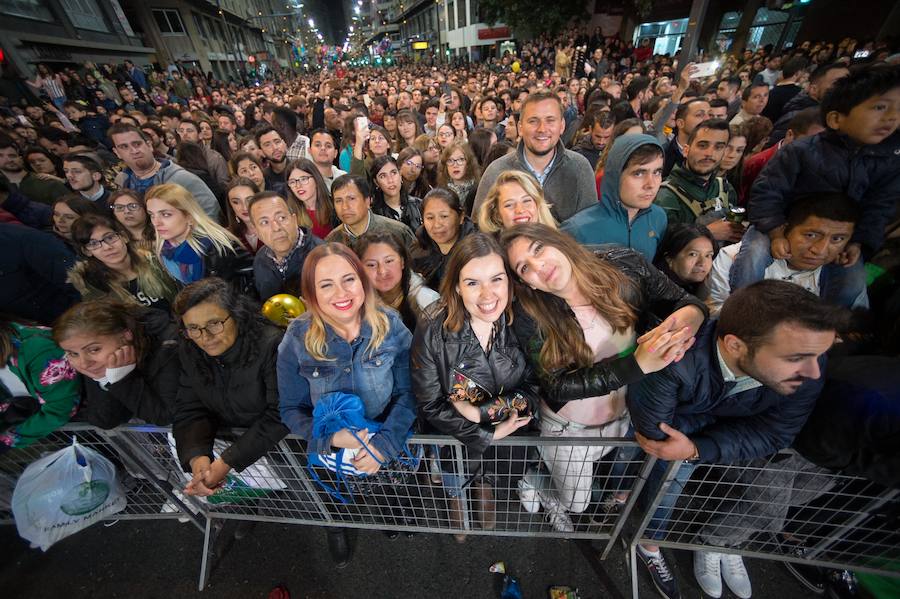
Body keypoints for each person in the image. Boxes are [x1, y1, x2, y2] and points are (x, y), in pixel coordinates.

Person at [626, 280, 846, 599]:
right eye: (797, 358)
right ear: (735, 345)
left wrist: (700, 445)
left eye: (820, 355)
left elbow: (777, 432)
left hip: (708, 435)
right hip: (693, 437)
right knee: (670, 469)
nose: (814, 372)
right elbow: (657, 432)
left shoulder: (808, 363)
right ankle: (649, 542)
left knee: (785, 485)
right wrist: (695, 447)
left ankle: (721, 542)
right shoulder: (672, 359)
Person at [501, 223, 706, 532]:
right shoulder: (530, 314)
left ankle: (550, 480)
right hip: (568, 430)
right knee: (577, 503)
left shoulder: (623, 263)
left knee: (602, 466)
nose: (540, 267)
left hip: (620, 414)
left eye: (538, 249)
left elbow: (683, 301)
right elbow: (556, 384)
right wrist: (636, 366)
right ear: (524, 282)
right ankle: (538, 483)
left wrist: (690, 316)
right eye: (524, 267)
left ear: (556, 240)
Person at [277, 243, 416, 565]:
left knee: (390, 490)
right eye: (326, 285)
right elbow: (290, 410)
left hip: (384, 434)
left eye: (348, 279)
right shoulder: (296, 339)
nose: (341, 293)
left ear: (362, 281)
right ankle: (336, 526)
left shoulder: (391, 325)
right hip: (332, 449)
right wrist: (329, 439)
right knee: (338, 496)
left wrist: (383, 445)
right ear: (311, 293)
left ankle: (391, 513)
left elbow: (410, 393)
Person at [411, 233, 540, 540]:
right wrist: (486, 433)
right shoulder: (432, 330)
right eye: (472, 282)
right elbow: (430, 404)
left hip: (505, 430)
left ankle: (485, 487)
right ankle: (457, 494)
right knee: (455, 467)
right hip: (453, 435)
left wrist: (481, 413)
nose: (487, 295)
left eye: (496, 279)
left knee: (489, 468)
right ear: (456, 285)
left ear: (508, 281)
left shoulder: (522, 320)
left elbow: (535, 388)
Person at [742, 65, 900, 309]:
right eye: (880, 107)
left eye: (897, 110)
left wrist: (857, 242)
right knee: (753, 255)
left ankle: (828, 324)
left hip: (841, 236)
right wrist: (775, 231)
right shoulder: (802, 151)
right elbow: (767, 191)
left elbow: (879, 208)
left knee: (853, 280)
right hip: (782, 224)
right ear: (836, 118)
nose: (890, 118)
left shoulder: (889, 161)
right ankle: (742, 305)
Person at [172, 278, 289, 500]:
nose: (205, 337)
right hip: (236, 448)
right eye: (193, 328)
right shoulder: (190, 350)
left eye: (214, 323)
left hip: (281, 447)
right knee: (256, 497)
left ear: (237, 314)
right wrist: (197, 457)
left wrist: (228, 461)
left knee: (308, 498)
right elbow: (190, 406)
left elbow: (280, 412)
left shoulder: (272, 345)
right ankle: (254, 510)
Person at [710, 193, 865, 313]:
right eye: (810, 235)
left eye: (837, 239)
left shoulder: (846, 276)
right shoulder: (733, 258)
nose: (820, 250)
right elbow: (715, 315)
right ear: (784, 228)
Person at [474, 90, 597, 222]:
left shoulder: (579, 168)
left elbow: (589, 229)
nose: (542, 129)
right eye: (533, 121)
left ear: (562, 126)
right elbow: (480, 229)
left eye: (550, 120)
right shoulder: (496, 171)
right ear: (520, 128)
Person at [53, 299, 178, 428]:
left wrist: (123, 379)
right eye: (73, 354)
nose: (84, 363)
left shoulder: (167, 348)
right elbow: (105, 420)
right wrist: (109, 379)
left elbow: (166, 416)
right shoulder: (100, 363)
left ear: (126, 335)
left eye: (94, 349)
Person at [563, 134, 668, 260]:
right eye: (639, 173)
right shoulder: (578, 230)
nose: (650, 184)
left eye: (657, 172)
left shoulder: (658, 218)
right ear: (615, 176)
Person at [145, 183, 254, 292]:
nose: (156, 222)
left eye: (166, 214)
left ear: (189, 216)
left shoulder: (222, 248)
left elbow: (248, 293)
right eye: (152, 215)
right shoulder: (162, 254)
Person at [655, 119, 743, 244]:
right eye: (702, 145)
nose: (709, 153)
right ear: (686, 150)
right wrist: (706, 232)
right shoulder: (665, 196)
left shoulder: (726, 188)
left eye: (718, 147)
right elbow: (658, 247)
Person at [0, 315, 80, 452]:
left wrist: (7, 441)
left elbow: (61, 408)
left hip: (85, 426)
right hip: (43, 424)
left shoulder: (37, 349)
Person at [68, 213, 178, 311]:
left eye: (110, 238)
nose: (107, 247)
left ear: (124, 237)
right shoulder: (93, 287)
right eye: (93, 244)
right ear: (87, 251)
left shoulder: (156, 261)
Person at [109, 124, 220, 220]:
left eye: (137, 144)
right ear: (116, 152)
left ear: (149, 145)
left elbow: (211, 213)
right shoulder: (124, 183)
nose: (134, 151)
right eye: (124, 147)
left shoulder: (181, 178)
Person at [355, 231, 438, 333]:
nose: (382, 271)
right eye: (371, 265)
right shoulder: (355, 304)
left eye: (389, 261)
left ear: (402, 262)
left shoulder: (427, 302)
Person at [740, 107, 825, 201]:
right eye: (810, 141)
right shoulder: (759, 162)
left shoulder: (820, 167)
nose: (816, 148)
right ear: (790, 135)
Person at [249, 191, 322, 300]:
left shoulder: (322, 255)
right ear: (256, 232)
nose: (276, 227)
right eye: (264, 222)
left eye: (281, 218)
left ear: (294, 220)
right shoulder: (260, 259)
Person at [767, 62, 848, 147]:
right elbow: (771, 153)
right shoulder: (797, 117)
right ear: (813, 89)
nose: (847, 89)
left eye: (850, 83)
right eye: (838, 83)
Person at [325, 174, 416, 249]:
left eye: (351, 199)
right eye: (338, 201)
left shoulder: (397, 232)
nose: (345, 207)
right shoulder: (332, 241)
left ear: (368, 201)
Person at [411, 187, 477, 290]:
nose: (437, 225)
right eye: (430, 218)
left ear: (461, 217)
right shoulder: (418, 251)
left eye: (444, 216)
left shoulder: (477, 251)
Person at [476, 170, 557, 234]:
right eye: (509, 205)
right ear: (497, 214)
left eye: (526, 201)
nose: (520, 210)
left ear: (538, 205)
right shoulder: (490, 253)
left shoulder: (559, 247)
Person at [653, 223, 717, 300]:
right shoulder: (658, 292)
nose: (702, 263)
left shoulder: (699, 285)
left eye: (708, 255)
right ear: (669, 258)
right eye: (693, 254)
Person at [0, 138, 70, 205]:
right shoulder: (5, 187)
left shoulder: (51, 184)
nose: (37, 164)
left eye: (12, 156)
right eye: (32, 162)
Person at [285, 157, 336, 240]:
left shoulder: (335, 206)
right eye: (292, 182)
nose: (298, 186)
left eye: (304, 179)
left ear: (316, 179)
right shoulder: (289, 214)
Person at [370, 155, 423, 233]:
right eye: (383, 176)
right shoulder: (373, 214)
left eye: (394, 173)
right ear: (376, 182)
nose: (390, 180)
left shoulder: (418, 205)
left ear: (400, 175)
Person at [661, 98, 710, 178]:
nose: (707, 119)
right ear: (680, 123)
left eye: (710, 114)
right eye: (699, 115)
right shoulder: (663, 155)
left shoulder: (717, 153)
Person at [176, 120, 228, 187]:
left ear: (200, 135)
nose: (184, 134)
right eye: (181, 131)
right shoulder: (176, 156)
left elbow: (223, 185)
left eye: (189, 131)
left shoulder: (214, 158)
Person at [437, 142, 480, 215]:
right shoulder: (440, 191)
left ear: (468, 163)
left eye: (461, 159)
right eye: (450, 160)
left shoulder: (478, 189)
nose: (455, 165)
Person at [224, 177, 264, 253]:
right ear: (230, 206)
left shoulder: (275, 226)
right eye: (236, 202)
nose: (244, 207)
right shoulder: (228, 237)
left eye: (249, 200)